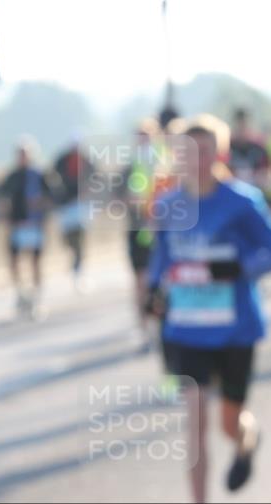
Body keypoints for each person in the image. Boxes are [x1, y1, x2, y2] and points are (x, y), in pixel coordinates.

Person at [146, 115, 271, 504]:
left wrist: (239, 268)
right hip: (187, 331)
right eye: (189, 152)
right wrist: (154, 291)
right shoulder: (169, 204)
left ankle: (248, 440)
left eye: (207, 151)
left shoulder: (242, 202)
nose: (199, 160)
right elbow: (161, 256)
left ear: (220, 154)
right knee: (194, 424)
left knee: (230, 423)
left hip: (235, 330)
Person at [0, 139, 53, 319]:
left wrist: (40, 208)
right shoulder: (12, 177)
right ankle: (20, 293)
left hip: (34, 225)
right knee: (15, 261)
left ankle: (37, 297)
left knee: (35, 262)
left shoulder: (39, 175)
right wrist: (5, 212)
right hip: (17, 225)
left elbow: (51, 196)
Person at [121, 119, 164, 346]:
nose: (143, 139)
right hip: (138, 230)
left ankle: (159, 324)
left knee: (158, 280)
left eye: (147, 135)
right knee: (139, 280)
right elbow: (122, 198)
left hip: (160, 231)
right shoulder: (131, 166)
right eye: (140, 135)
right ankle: (143, 327)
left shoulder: (165, 164)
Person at [48, 134, 95, 292]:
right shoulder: (62, 160)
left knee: (80, 239)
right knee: (68, 240)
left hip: (80, 205)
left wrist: (89, 188)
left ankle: (78, 269)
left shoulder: (86, 160)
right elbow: (51, 177)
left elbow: (96, 177)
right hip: (65, 206)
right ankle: (74, 260)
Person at [228, 107, 271, 189]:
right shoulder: (227, 146)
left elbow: (267, 173)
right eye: (239, 123)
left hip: (254, 191)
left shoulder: (259, 147)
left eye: (244, 123)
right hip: (231, 193)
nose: (241, 127)